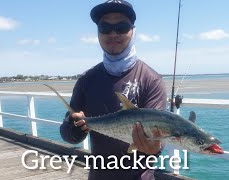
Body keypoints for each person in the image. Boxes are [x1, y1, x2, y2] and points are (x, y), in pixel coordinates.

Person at [60, 0, 167, 179]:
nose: (113, 33)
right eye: (105, 27)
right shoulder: (86, 80)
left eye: (121, 26)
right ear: (97, 32)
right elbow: (67, 134)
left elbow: (157, 140)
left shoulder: (151, 80)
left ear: (133, 30)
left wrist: (155, 148)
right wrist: (74, 129)